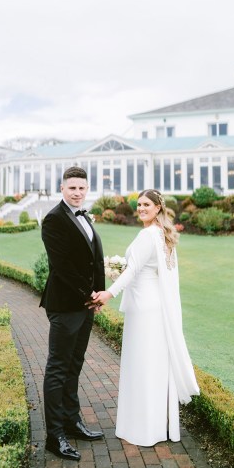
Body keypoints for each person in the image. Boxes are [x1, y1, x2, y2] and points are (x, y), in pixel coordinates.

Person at [90, 189, 199, 447]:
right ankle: (155, 428)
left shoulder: (147, 235)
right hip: (157, 309)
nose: (141, 208)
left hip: (143, 310)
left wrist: (109, 292)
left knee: (141, 366)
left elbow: (133, 271)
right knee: (153, 367)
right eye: (139, 204)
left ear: (158, 208)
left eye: (146, 204)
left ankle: (140, 429)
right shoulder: (164, 236)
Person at [40, 166, 105, 461]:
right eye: (72, 188)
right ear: (62, 188)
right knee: (58, 368)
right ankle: (55, 436)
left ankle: (71, 420)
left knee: (74, 365)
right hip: (66, 305)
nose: (77, 192)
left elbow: (93, 260)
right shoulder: (54, 219)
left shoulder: (83, 214)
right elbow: (62, 266)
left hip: (86, 305)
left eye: (82, 188)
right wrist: (88, 294)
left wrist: (99, 294)